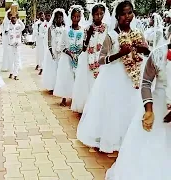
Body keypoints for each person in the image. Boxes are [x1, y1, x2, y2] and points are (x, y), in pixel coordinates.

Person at [77, 0, 150, 153]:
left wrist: (145, 50)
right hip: (114, 77)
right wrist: (119, 54)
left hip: (134, 78)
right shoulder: (111, 35)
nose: (127, 16)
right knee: (115, 107)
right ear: (117, 16)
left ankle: (129, 138)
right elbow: (101, 59)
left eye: (129, 12)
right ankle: (112, 140)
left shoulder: (138, 33)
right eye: (123, 14)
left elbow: (147, 52)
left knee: (131, 105)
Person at [105, 37, 171, 180]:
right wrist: (148, 110)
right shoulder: (159, 54)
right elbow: (146, 82)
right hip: (158, 110)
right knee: (152, 149)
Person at [71, 3, 110, 113]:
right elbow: (83, 48)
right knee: (89, 83)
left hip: (102, 60)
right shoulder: (87, 28)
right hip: (89, 59)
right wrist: (88, 35)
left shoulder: (106, 28)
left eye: (101, 14)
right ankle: (88, 108)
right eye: (96, 14)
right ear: (92, 15)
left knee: (100, 83)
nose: (99, 16)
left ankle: (99, 107)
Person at [53, 5, 85, 106]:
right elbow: (62, 46)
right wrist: (70, 54)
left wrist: (78, 53)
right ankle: (64, 97)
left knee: (77, 77)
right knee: (67, 77)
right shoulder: (66, 31)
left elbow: (84, 44)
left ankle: (75, 98)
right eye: (74, 17)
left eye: (78, 17)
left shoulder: (83, 30)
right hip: (67, 57)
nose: (76, 19)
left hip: (79, 57)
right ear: (71, 17)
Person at [43, 9, 67, 95]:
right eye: (57, 18)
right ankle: (52, 87)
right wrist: (51, 52)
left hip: (62, 52)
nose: (59, 19)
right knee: (53, 69)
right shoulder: (51, 28)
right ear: (54, 18)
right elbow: (49, 42)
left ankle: (60, 87)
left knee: (60, 70)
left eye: (60, 17)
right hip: (53, 52)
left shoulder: (65, 28)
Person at [8, 13, 25, 80]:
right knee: (11, 60)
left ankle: (15, 74)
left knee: (17, 60)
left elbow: (23, 26)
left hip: (17, 45)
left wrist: (19, 19)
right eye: (12, 18)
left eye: (15, 18)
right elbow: (5, 30)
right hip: (11, 45)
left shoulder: (19, 25)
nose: (14, 19)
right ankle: (11, 73)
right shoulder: (9, 26)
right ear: (10, 19)